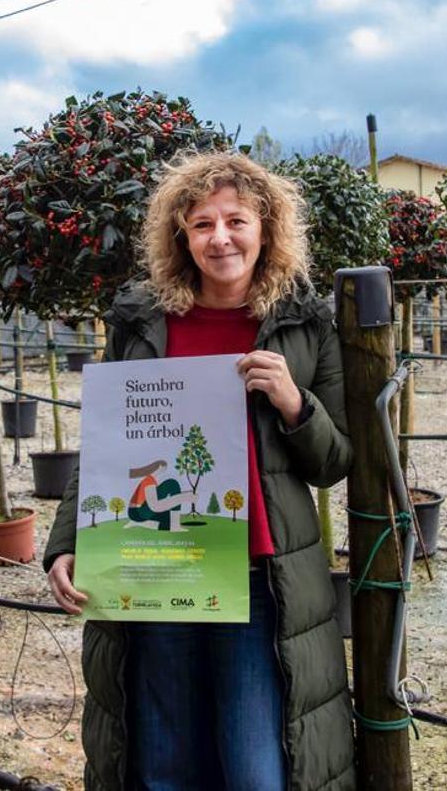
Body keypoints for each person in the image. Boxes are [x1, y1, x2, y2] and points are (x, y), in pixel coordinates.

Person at [44, 152, 355, 790]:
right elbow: (107, 443)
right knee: (163, 764)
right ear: (180, 235)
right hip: (158, 571)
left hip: (259, 579)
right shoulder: (142, 319)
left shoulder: (304, 321)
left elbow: (334, 462)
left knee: (255, 769)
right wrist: (68, 543)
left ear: (266, 228)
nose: (220, 238)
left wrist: (294, 402)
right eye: (202, 224)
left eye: (236, 220)